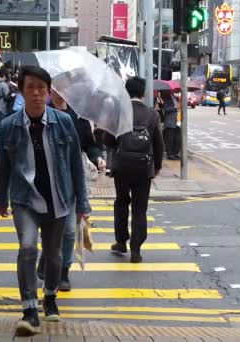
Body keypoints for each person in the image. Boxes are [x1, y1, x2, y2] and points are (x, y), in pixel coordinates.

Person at [0, 65, 92, 335]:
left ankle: (49, 297)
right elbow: (2, 166)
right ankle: (29, 309)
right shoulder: (8, 126)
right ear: (23, 92)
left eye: (41, 88)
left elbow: (75, 166)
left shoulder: (64, 122)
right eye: (30, 88)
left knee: (54, 255)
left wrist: (83, 204)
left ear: (48, 92)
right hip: (24, 200)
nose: (36, 93)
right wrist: (0, 198)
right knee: (27, 248)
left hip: (59, 199)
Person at [35, 88, 106, 292]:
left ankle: (63, 272)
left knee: (68, 230)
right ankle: (47, 257)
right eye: (55, 89)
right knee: (49, 228)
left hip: (71, 181)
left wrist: (97, 157)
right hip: (46, 181)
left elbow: (90, 145)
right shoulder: (42, 113)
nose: (59, 93)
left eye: (63, 89)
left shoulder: (78, 117)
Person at [104, 76, 164, 263]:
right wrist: (157, 166)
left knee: (121, 202)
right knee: (140, 208)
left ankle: (121, 241)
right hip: (143, 168)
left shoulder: (118, 112)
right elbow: (158, 144)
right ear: (143, 92)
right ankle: (136, 249)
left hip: (122, 167)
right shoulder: (152, 114)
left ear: (126, 91)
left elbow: (108, 141)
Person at [162, 93, 180, 160]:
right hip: (169, 122)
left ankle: (175, 153)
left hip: (177, 121)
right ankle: (170, 154)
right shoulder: (166, 97)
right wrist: (174, 107)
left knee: (177, 138)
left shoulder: (175, 97)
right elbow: (165, 109)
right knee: (169, 139)